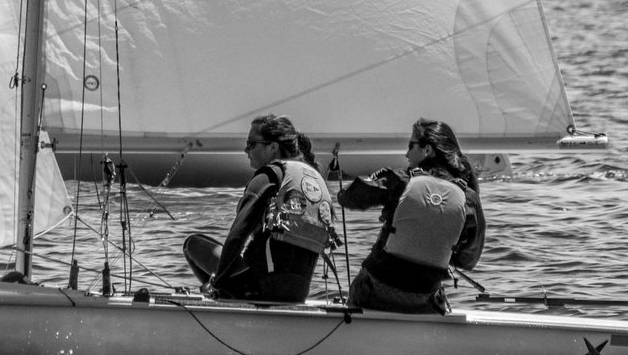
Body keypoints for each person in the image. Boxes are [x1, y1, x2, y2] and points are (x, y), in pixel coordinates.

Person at [338, 117, 486, 314]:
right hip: (424, 300)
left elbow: (348, 198)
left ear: (427, 150)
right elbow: (468, 260)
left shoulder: (400, 181)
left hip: (375, 292)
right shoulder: (469, 198)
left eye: (411, 146)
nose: (406, 153)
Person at [183, 114, 333, 303]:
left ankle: (218, 296)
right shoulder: (313, 179)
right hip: (298, 292)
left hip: (259, 288)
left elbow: (237, 237)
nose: (246, 150)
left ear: (273, 147)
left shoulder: (269, 176)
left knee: (194, 244)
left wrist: (217, 282)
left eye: (252, 144)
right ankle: (224, 294)